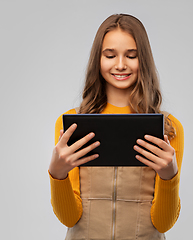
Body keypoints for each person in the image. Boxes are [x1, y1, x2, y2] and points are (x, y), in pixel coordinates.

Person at [48, 13, 184, 240]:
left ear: (144, 60)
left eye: (131, 56)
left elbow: (162, 223)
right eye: (110, 55)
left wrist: (170, 176)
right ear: (98, 60)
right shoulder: (72, 124)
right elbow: (70, 219)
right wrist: (57, 174)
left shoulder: (168, 129)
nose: (120, 65)